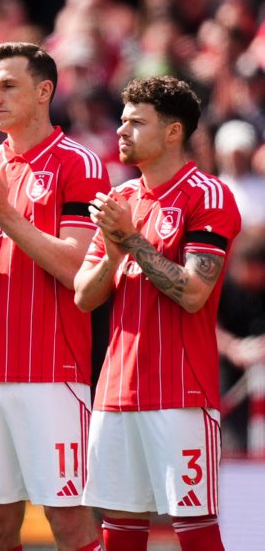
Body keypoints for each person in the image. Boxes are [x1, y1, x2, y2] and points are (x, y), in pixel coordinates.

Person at [0, 42, 108, 551]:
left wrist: (6, 217)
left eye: (8, 85)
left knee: (69, 519)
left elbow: (77, 267)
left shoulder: (80, 164)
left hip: (53, 371)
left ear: (44, 91)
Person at [74, 75, 240, 551]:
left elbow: (193, 292)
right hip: (116, 391)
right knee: (119, 530)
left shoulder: (208, 196)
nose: (121, 131)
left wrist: (131, 240)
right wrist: (112, 255)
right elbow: (84, 296)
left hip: (180, 391)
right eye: (122, 120)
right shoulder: (120, 200)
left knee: (195, 530)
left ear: (172, 131)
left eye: (136, 122)